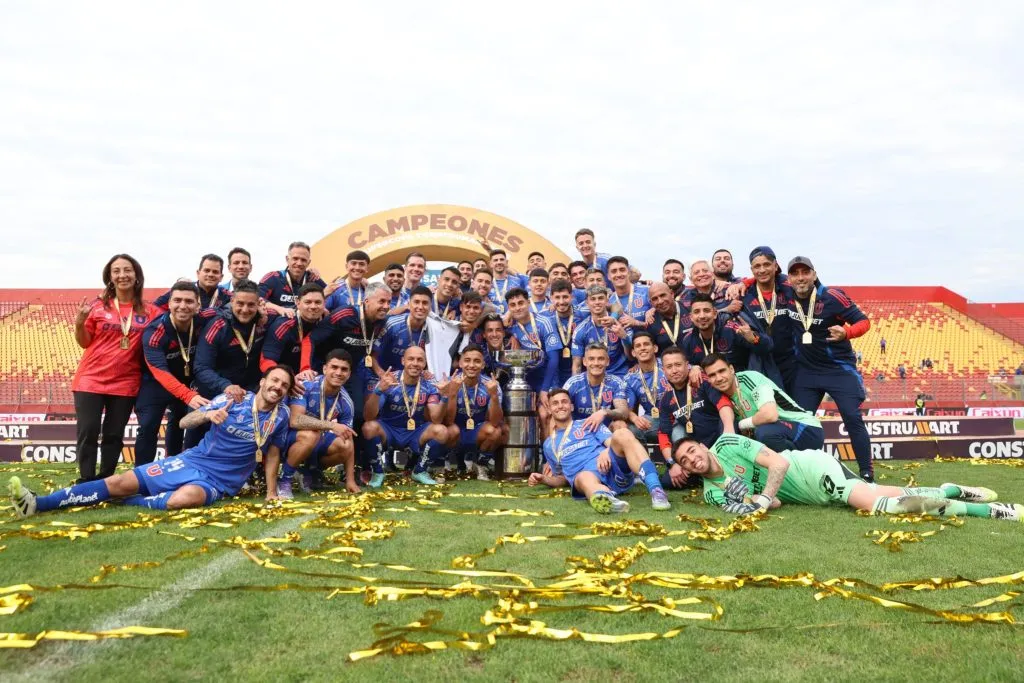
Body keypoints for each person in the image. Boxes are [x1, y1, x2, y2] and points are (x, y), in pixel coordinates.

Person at [9, 366, 295, 517]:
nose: (278, 387)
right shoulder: (234, 399)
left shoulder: (281, 416)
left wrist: (271, 492)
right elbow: (184, 422)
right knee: (118, 482)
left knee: (185, 499)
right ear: (263, 381)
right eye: (274, 380)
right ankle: (38, 504)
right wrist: (208, 415)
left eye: (284, 385)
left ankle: (131, 502)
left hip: (220, 482)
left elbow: (272, 453)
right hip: (192, 462)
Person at [673, 433, 1024, 521]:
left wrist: (760, 498)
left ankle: (992, 512)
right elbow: (773, 503)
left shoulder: (727, 443)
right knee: (885, 491)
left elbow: (778, 464)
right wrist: (756, 501)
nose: (692, 459)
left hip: (811, 468)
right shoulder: (711, 494)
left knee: (883, 506)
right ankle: (952, 489)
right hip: (812, 495)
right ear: (686, 470)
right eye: (684, 461)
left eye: (691, 450)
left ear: (701, 446)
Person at [785, 256, 875, 481]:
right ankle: (799, 474)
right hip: (806, 372)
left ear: (814, 274)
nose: (800, 278)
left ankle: (867, 474)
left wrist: (847, 332)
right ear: (789, 279)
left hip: (838, 370)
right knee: (800, 421)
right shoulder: (785, 294)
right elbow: (763, 276)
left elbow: (864, 321)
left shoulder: (832, 296)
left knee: (852, 417)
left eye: (805, 272)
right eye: (795, 273)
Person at [72, 254, 155, 483]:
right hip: (90, 379)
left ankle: (105, 480)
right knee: (88, 431)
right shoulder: (97, 307)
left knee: (114, 435)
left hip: (126, 382)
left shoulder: (150, 311)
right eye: (116, 271)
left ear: (136, 275)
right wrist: (79, 323)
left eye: (127, 270)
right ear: (109, 277)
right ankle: (86, 481)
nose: (122, 275)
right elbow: (84, 342)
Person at [529, 389, 670, 514]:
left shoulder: (588, 423)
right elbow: (562, 478)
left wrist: (606, 451)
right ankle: (605, 499)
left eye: (564, 402)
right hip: (586, 477)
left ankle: (656, 490)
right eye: (555, 403)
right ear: (550, 409)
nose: (560, 406)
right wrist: (544, 479)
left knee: (622, 433)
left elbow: (612, 442)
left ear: (571, 406)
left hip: (612, 468)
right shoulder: (549, 444)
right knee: (583, 476)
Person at [137, 281, 211, 466]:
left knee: (184, 421)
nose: (183, 306)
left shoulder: (207, 318)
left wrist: (264, 314)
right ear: (169, 303)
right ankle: (141, 473)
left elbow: (232, 311)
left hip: (188, 381)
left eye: (189, 301)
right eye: (177, 300)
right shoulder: (155, 331)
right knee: (148, 425)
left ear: (198, 305)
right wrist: (187, 395)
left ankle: (180, 465)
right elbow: (160, 372)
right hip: (155, 382)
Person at [190, 280, 267, 448]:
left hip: (246, 395)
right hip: (213, 393)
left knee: (239, 446)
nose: (245, 310)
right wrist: (226, 386)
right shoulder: (218, 325)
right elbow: (201, 367)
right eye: (240, 303)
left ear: (258, 304)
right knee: (196, 444)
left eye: (251, 305)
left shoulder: (263, 322)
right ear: (232, 301)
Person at [702, 353, 825, 453]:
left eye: (722, 371)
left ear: (731, 369)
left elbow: (770, 415)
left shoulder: (750, 378)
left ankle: (795, 468)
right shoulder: (718, 396)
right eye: (712, 375)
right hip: (780, 435)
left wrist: (740, 425)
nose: (718, 378)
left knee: (764, 433)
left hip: (806, 429)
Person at [362, 346, 448, 487]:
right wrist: (378, 390)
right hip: (389, 430)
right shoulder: (389, 380)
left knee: (441, 431)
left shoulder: (429, 384)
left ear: (425, 364)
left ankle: (419, 471)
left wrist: (445, 397)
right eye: (411, 359)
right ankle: (377, 472)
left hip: (415, 432)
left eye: (420, 360)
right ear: (403, 361)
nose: (415, 363)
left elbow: (436, 419)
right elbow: (369, 416)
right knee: (369, 427)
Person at [278, 350, 358, 498]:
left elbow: (349, 437)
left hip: (314, 439)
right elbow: (295, 420)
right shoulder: (306, 385)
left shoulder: (346, 402)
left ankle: (309, 472)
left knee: (345, 444)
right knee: (311, 434)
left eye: (344, 369)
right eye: (334, 367)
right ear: (324, 369)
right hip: (285, 437)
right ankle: (284, 480)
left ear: (349, 374)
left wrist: (350, 480)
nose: (338, 373)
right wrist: (331, 425)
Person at [657, 347, 731, 490]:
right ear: (664, 370)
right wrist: (673, 463)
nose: (674, 370)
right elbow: (663, 433)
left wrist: (729, 434)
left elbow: (724, 405)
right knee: (667, 481)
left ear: (687, 365)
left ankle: (712, 473)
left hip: (721, 441)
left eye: (678, 365)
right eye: (669, 367)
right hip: (697, 453)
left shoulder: (701, 382)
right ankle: (704, 475)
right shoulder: (666, 399)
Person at [736, 246, 797, 391]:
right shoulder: (743, 294)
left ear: (775, 266)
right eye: (757, 266)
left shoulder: (789, 287)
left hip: (792, 363)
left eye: (766, 264)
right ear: (752, 270)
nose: (762, 270)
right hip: (761, 363)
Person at [442, 345, 506, 480]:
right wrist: (452, 394)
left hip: (477, 432)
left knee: (497, 430)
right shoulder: (449, 382)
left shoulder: (491, 384)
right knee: (447, 429)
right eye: (467, 360)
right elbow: (447, 421)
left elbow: (494, 421)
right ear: (460, 363)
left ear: (483, 365)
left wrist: (494, 396)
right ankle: (453, 463)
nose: (471, 365)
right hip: (455, 432)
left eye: (477, 361)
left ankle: (480, 464)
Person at [679, 293, 772, 372]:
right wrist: (692, 368)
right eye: (696, 312)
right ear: (691, 317)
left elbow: (768, 347)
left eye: (706, 311)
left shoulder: (733, 330)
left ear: (715, 314)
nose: (702, 316)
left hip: (739, 381)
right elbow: (687, 364)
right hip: (710, 383)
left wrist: (754, 339)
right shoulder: (688, 340)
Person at [504, 288, 562, 417]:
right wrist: (511, 335)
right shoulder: (511, 326)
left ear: (528, 303)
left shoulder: (544, 322)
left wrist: (544, 389)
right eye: (513, 305)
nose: (517, 308)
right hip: (527, 380)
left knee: (545, 415)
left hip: (548, 379)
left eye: (521, 303)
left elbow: (554, 359)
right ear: (508, 308)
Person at [259, 283, 326, 374]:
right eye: (308, 302)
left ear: (324, 303)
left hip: (311, 372)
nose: (313, 306)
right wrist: (288, 379)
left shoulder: (327, 320)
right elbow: (266, 361)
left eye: (318, 302)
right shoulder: (284, 324)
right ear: (298, 303)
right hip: (284, 374)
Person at [563, 343, 631, 429]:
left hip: (606, 430)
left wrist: (604, 412)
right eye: (591, 359)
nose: (596, 363)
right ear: (584, 361)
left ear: (607, 361)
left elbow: (624, 412)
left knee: (620, 425)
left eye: (601, 359)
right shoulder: (573, 383)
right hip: (579, 430)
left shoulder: (615, 382)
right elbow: (559, 410)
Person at [572, 286, 633, 377]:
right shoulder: (581, 330)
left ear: (607, 301)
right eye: (593, 299)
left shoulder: (621, 322)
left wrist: (624, 337)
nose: (597, 302)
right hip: (594, 377)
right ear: (587, 303)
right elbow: (577, 365)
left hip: (620, 374)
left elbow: (631, 357)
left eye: (600, 298)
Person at [623, 332, 671, 445]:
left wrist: (695, 369)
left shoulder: (668, 363)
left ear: (655, 348)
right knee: (627, 430)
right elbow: (627, 409)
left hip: (677, 416)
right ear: (633, 353)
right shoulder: (630, 379)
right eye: (638, 346)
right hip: (653, 420)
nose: (642, 348)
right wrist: (635, 418)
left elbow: (689, 368)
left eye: (646, 344)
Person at [373, 286, 431, 374]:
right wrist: (381, 374)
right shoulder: (393, 325)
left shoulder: (433, 330)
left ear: (430, 306)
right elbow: (372, 355)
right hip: (387, 375)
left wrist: (426, 371)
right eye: (416, 302)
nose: (420, 307)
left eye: (425, 303)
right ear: (409, 304)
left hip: (413, 377)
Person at [259, 241, 327, 317]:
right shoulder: (273, 278)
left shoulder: (313, 278)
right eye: (295, 258)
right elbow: (258, 299)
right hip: (278, 321)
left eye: (303, 260)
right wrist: (280, 309)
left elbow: (331, 297)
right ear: (287, 259)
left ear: (308, 262)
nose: (299, 263)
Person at [154, 254, 232, 311]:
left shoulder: (227, 296)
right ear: (198, 273)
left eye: (215, 272)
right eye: (206, 270)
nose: (210, 274)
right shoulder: (181, 290)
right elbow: (154, 308)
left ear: (221, 277)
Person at [543, 279, 581, 386]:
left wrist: (614, 316)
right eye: (557, 297)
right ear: (551, 298)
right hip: (554, 372)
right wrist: (513, 336)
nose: (561, 301)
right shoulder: (544, 317)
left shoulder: (582, 313)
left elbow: (616, 307)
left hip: (578, 369)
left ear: (571, 297)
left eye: (565, 297)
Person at [646, 282, 691, 353]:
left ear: (672, 294)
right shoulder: (651, 321)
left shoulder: (690, 309)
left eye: (663, 295)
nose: (660, 301)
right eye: (655, 299)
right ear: (651, 302)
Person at [606, 255, 651, 327]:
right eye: (614, 271)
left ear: (629, 272)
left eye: (622, 270)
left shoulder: (647, 291)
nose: (618, 274)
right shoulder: (610, 302)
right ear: (608, 276)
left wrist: (637, 323)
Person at [488, 248, 526, 314]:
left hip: (514, 319)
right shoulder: (486, 282)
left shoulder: (518, 281)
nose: (499, 262)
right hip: (492, 319)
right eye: (495, 260)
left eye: (502, 259)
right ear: (490, 264)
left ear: (507, 262)